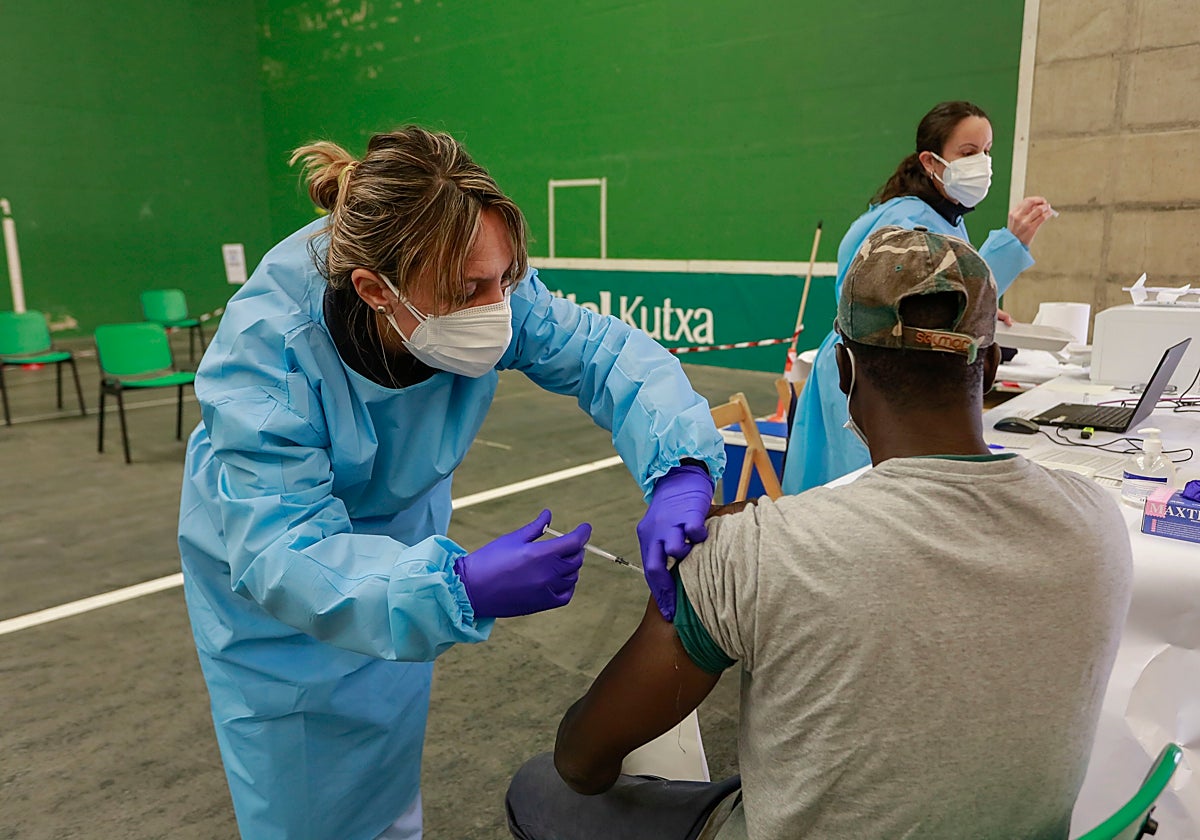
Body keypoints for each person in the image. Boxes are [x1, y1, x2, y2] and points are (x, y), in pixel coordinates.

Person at [177, 126, 726, 840]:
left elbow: (602, 354)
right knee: (306, 792)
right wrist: (456, 587)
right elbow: (282, 551)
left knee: (387, 752)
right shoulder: (266, 358)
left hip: (401, 542)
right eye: (472, 289)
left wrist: (681, 466)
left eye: (507, 279)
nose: (499, 307)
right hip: (275, 595)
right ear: (376, 289)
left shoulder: (477, 282)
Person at [507, 227, 1133, 840]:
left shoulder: (752, 555)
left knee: (539, 789)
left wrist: (709, 574)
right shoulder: (1100, 520)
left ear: (841, 368)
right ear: (993, 364)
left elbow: (582, 762)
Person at [782, 100, 1055, 493]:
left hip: (892, 375)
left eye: (987, 151)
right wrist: (1009, 246)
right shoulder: (906, 220)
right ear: (930, 160)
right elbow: (897, 299)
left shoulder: (941, 218)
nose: (982, 163)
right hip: (874, 376)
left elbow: (945, 296)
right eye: (968, 153)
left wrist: (978, 313)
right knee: (861, 497)